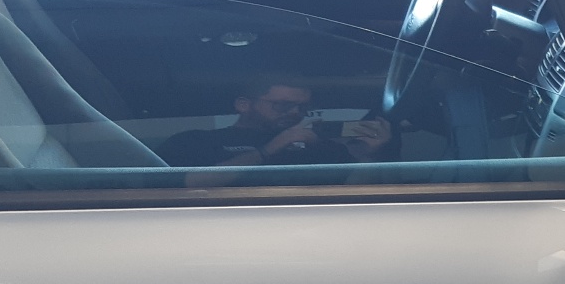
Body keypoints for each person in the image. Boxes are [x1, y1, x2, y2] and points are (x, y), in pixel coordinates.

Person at [156, 77, 393, 168]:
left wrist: (369, 155)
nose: (295, 113)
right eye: (282, 105)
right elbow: (186, 185)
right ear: (244, 105)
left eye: (302, 107)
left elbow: (356, 193)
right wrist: (272, 148)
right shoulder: (195, 142)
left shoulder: (322, 148)